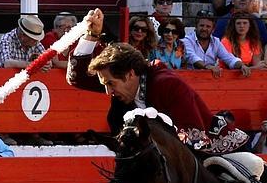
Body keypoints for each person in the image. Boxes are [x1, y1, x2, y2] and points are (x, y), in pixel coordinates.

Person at [67, 8, 249, 153]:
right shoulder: (122, 84)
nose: (108, 92)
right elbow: (77, 78)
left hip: (214, 154)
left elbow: (194, 141)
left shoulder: (167, 84)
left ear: (130, 74)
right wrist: (92, 35)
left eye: (110, 84)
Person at [183, 10, 252, 76]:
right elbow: (192, 57)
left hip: (209, 80)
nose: (204, 29)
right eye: (201, 25)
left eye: (208, 26)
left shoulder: (216, 42)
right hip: (189, 78)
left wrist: (242, 65)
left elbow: (229, 58)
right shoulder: (187, 40)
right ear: (196, 26)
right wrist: (208, 66)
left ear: (213, 29)